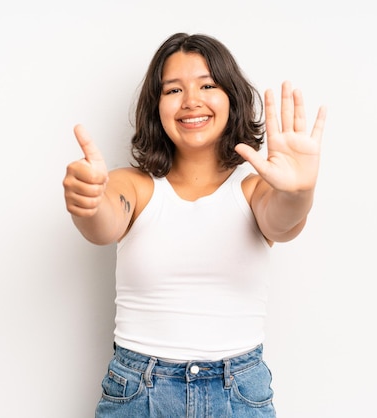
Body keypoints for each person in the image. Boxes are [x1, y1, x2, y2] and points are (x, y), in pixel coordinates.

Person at [63, 32, 326, 418]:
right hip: (139, 392)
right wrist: (87, 203)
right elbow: (103, 224)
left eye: (208, 84)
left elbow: (283, 222)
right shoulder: (132, 186)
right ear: (156, 106)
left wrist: (299, 191)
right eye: (173, 90)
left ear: (231, 98)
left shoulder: (254, 188)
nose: (191, 101)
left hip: (238, 392)